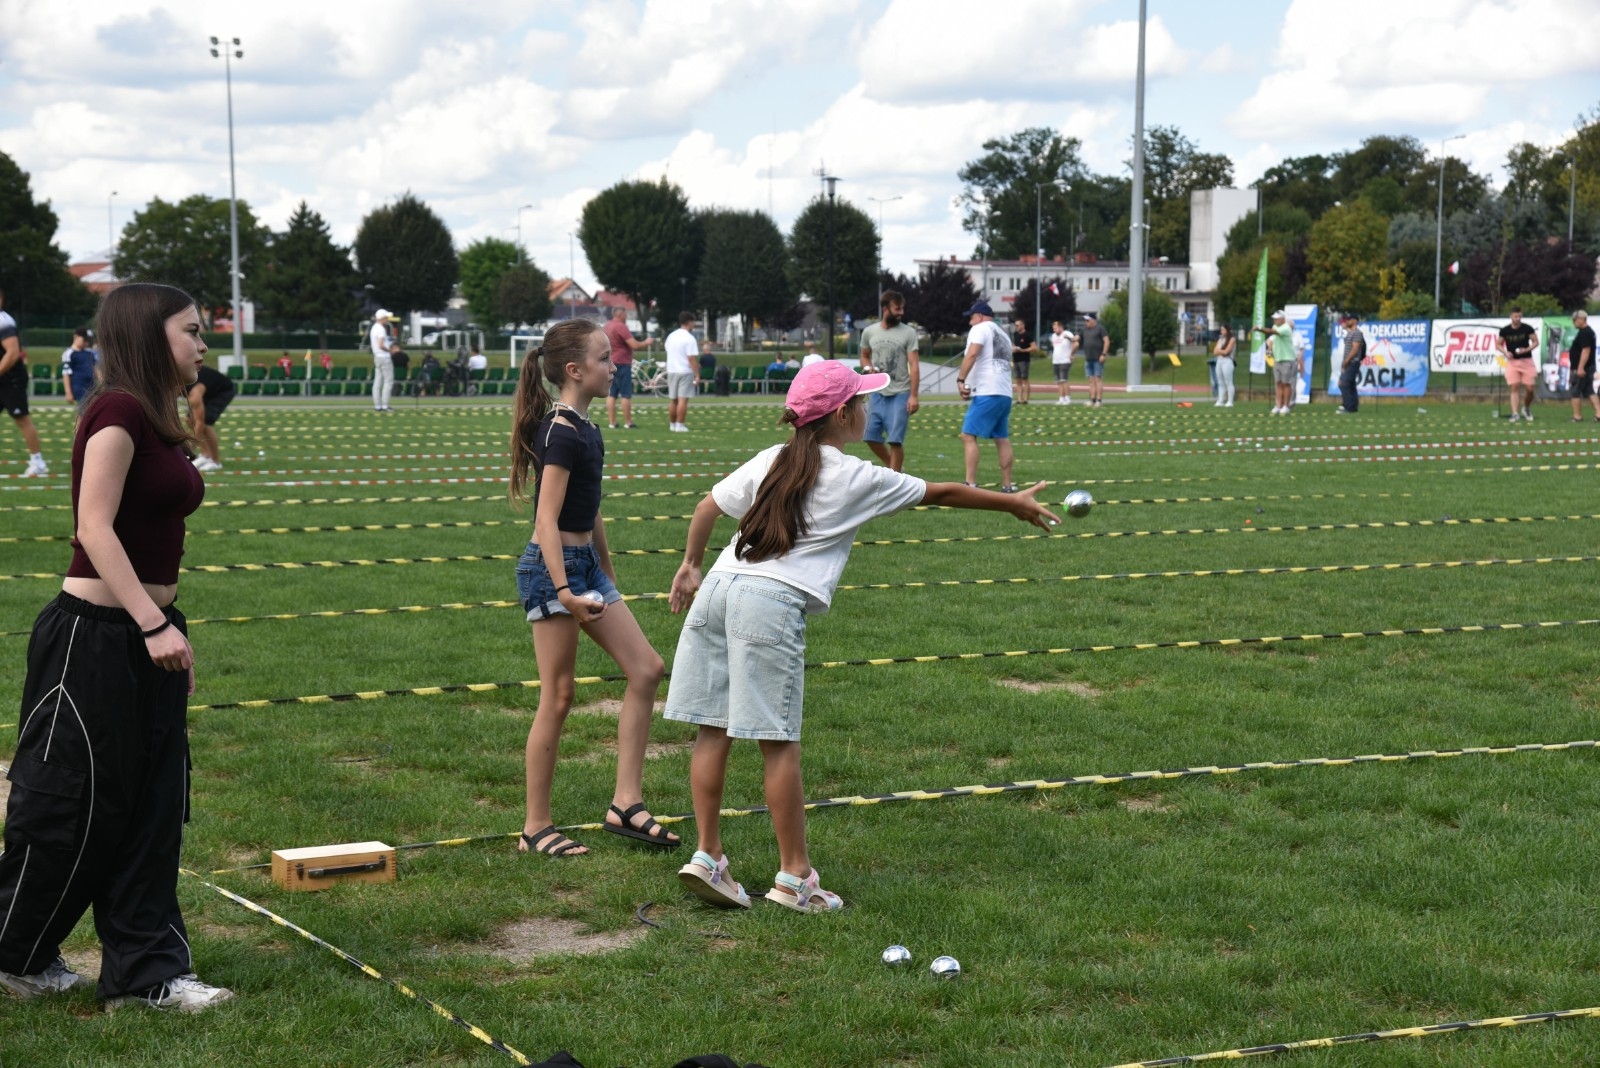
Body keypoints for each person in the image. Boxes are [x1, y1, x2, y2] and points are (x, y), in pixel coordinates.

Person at [663, 360, 1059, 912]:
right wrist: (1012, 501)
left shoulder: (772, 457)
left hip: (719, 589)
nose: (869, 408)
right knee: (777, 742)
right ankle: (795, 879)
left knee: (713, 729)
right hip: (767, 604)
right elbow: (943, 493)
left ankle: (708, 857)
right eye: (863, 401)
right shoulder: (857, 475)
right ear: (844, 415)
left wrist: (689, 565)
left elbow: (708, 506)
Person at [0, 282, 233, 1013]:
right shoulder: (117, 410)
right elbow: (92, 527)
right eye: (191, 330)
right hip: (93, 638)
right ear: (147, 334)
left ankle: (143, 975)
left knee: (153, 808)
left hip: (145, 634)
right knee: (70, 807)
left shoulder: (159, 416)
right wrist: (152, 624)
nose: (202, 343)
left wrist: (164, 629)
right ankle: (15, 952)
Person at [509, 319, 674, 857]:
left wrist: (606, 570)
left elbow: (590, 507)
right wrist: (564, 590)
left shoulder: (587, 429)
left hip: (585, 567)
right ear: (574, 370)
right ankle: (535, 828)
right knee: (558, 695)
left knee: (647, 668)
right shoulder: (560, 431)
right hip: (552, 569)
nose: (615, 365)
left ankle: (626, 803)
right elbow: (546, 519)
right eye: (605, 358)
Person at [954, 301, 1017, 491]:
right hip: (1004, 392)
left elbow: (973, 354)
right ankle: (1007, 485)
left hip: (988, 391)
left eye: (972, 317)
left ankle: (970, 484)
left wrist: (961, 379)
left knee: (967, 435)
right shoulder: (1003, 334)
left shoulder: (980, 328)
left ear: (980, 316)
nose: (970, 322)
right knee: (1002, 438)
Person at [859, 289, 920, 472]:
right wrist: (868, 368)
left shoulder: (908, 332)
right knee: (869, 436)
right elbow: (864, 356)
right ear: (885, 308)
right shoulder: (869, 332)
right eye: (897, 309)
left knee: (895, 440)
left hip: (900, 392)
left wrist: (914, 396)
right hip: (877, 392)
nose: (901, 312)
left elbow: (914, 364)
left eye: (902, 308)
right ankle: (895, 470)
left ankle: (895, 478)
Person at [0, 287, 48, 476]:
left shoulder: (3, 320)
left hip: (11, 379)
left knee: (21, 418)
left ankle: (38, 462)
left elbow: (12, 353)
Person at [186, 363, 236, 472]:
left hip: (222, 391)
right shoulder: (176, 381)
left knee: (206, 424)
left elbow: (200, 423)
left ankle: (215, 462)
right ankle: (206, 455)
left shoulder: (195, 392)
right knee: (189, 420)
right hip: (207, 389)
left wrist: (189, 450)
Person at [603, 307, 647, 429]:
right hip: (622, 362)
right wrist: (646, 342)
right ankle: (628, 422)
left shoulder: (607, 326)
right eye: (625, 314)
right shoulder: (621, 326)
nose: (626, 316)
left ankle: (612, 422)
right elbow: (634, 344)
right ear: (621, 314)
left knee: (611, 394)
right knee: (625, 394)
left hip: (610, 362)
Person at [1253, 310, 1300, 415]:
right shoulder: (1276, 327)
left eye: (1277, 319)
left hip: (1287, 359)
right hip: (1278, 359)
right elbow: (1270, 340)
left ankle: (1286, 406)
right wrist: (1269, 354)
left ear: (1283, 319)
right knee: (1278, 383)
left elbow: (1271, 332)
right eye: (1274, 318)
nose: (1275, 320)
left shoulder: (1286, 328)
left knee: (1286, 384)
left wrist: (1259, 328)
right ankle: (1278, 406)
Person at [1497, 307, 1538, 422]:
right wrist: (1505, 352)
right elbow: (1498, 344)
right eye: (1515, 316)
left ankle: (1526, 408)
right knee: (1514, 386)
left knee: (1530, 388)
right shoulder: (1505, 330)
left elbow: (1535, 342)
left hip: (1527, 361)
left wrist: (1527, 349)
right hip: (1512, 362)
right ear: (1511, 316)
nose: (1518, 318)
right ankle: (1515, 413)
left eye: (1520, 316)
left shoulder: (1527, 328)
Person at [664, 312, 700, 432]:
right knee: (683, 399)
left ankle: (672, 424)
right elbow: (691, 358)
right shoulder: (689, 338)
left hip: (672, 370)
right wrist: (697, 374)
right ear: (689, 322)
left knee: (673, 400)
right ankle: (680, 424)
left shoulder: (671, 336)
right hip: (685, 371)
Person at [1568, 309, 1599, 423]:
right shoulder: (1588, 332)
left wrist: (1580, 368)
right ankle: (1599, 414)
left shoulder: (1585, 333)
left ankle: (1577, 416)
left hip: (1583, 368)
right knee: (1589, 390)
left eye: (1575, 320)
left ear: (1581, 319)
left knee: (1575, 391)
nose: (1574, 322)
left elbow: (1586, 350)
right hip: (1589, 366)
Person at [61, 328, 100, 417]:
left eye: (88, 340)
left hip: (92, 387)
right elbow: (66, 374)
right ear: (76, 337)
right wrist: (68, 392)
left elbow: (96, 369)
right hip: (79, 388)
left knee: (92, 411)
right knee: (84, 412)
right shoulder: (69, 353)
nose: (87, 342)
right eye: (85, 340)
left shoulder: (89, 353)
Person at [1336, 312, 1366, 414]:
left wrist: (1347, 360)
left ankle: (1348, 407)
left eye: (1349, 320)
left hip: (1353, 362)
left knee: (1344, 383)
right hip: (1349, 362)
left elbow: (1355, 349)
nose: (1347, 321)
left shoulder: (1357, 333)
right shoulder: (1350, 333)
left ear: (1354, 321)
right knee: (1350, 384)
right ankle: (1353, 406)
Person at [1077, 311, 1109, 408]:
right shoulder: (1084, 329)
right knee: (1091, 380)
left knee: (1097, 379)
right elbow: (1077, 337)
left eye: (1088, 320)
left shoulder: (1100, 328)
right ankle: (1092, 399)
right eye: (1085, 320)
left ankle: (1099, 400)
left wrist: (1103, 354)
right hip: (1088, 358)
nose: (1086, 322)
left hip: (1097, 358)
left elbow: (1106, 341)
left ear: (1093, 320)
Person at [369, 309, 395, 412]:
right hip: (384, 357)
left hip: (377, 357)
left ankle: (377, 405)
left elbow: (374, 345)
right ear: (382, 318)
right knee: (388, 381)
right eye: (386, 317)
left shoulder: (374, 328)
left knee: (377, 382)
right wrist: (390, 350)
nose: (387, 319)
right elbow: (380, 345)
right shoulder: (381, 329)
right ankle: (385, 405)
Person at [1049, 319, 1076, 405]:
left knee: (1064, 380)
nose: (1054, 330)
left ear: (1061, 327)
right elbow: (1054, 346)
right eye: (1053, 328)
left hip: (1065, 360)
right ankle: (1061, 398)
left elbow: (1075, 342)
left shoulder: (1067, 334)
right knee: (1059, 381)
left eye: (1056, 328)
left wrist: (1072, 354)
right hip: (1056, 360)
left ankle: (1067, 398)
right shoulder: (1053, 336)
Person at [1010, 318, 1036, 404]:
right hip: (1016, 359)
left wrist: (1023, 350)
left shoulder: (1028, 335)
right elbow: (1013, 345)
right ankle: (1019, 399)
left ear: (1022, 325)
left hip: (1024, 359)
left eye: (1017, 325)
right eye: (1015, 325)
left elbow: (1034, 347)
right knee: (1017, 379)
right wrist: (1013, 348)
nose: (1016, 327)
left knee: (1025, 379)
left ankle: (1026, 399)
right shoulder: (1015, 335)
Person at [1212, 324, 1236, 408]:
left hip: (1227, 361)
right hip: (1219, 360)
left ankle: (1230, 401)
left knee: (1228, 381)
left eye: (1223, 330)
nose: (1222, 331)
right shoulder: (1220, 339)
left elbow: (1226, 352)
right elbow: (1215, 351)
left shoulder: (1232, 339)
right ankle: (1220, 400)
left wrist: (1219, 351)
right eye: (1221, 330)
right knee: (1220, 382)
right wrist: (1220, 351)